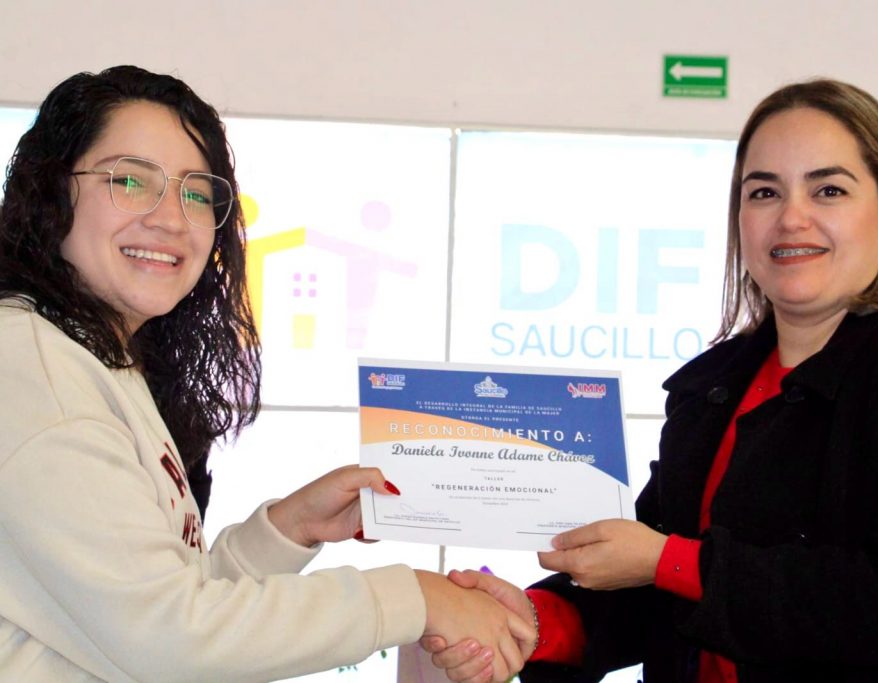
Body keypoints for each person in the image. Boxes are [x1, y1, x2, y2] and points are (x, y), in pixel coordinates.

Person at [423, 78, 878, 682]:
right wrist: (532, 621)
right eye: (764, 192)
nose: (792, 218)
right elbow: (653, 587)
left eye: (829, 190)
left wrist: (667, 560)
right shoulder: (714, 386)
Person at [0, 65, 532, 683]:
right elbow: (169, 639)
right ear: (50, 191)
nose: (170, 218)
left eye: (196, 193)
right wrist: (414, 598)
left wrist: (288, 530)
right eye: (130, 181)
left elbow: (139, 609)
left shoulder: (86, 355)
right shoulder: (38, 374)